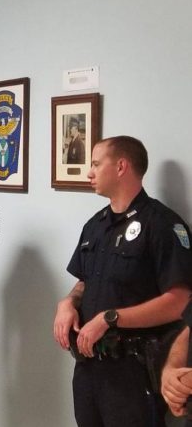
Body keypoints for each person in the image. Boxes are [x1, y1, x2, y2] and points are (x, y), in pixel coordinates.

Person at [52, 135, 192, 427]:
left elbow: (179, 302)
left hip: (134, 371)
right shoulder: (95, 225)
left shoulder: (163, 224)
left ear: (121, 167)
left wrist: (110, 318)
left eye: (95, 163)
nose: (89, 172)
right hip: (90, 367)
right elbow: (84, 282)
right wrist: (68, 303)